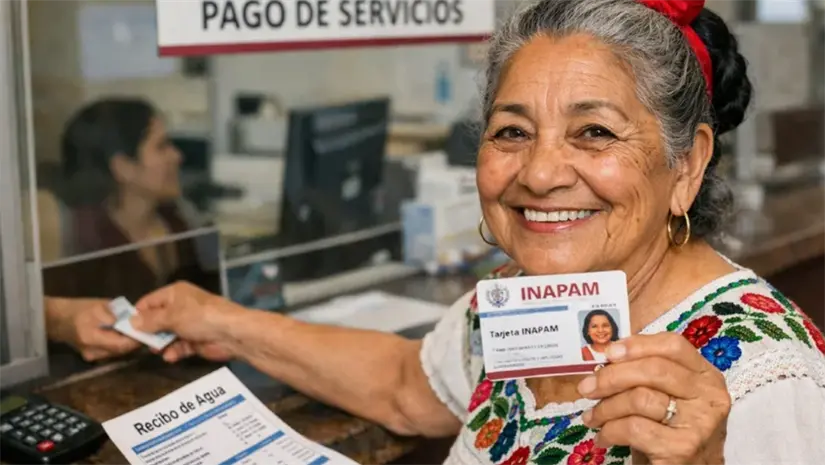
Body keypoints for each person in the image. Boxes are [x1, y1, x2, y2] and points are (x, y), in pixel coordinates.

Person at [129, 0, 825, 463]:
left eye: (593, 132)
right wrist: (220, 319)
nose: (540, 173)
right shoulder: (529, 300)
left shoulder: (764, 375)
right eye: (511, 131)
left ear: (687, 164)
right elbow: (406, 384)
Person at [40, 98, 212, 362]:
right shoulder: (80, 237)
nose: (177, 156)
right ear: (123, 167)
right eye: (162, 146)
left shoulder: (179, 219)